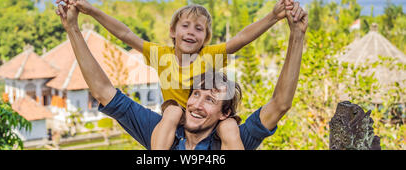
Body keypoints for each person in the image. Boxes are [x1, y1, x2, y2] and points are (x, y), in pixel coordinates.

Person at [56, 0, 307, 150]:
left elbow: (280, 103)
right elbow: (124, 38)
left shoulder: (226, 130)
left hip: (212, 123)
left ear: (223, 111)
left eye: (210, 99)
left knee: (228, 129)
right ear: (173, 31)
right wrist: (78, 23)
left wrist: (278, 20)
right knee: (174, 111)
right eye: (196, 94)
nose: (196, 102)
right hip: (172, 114)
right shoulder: (162, 129)